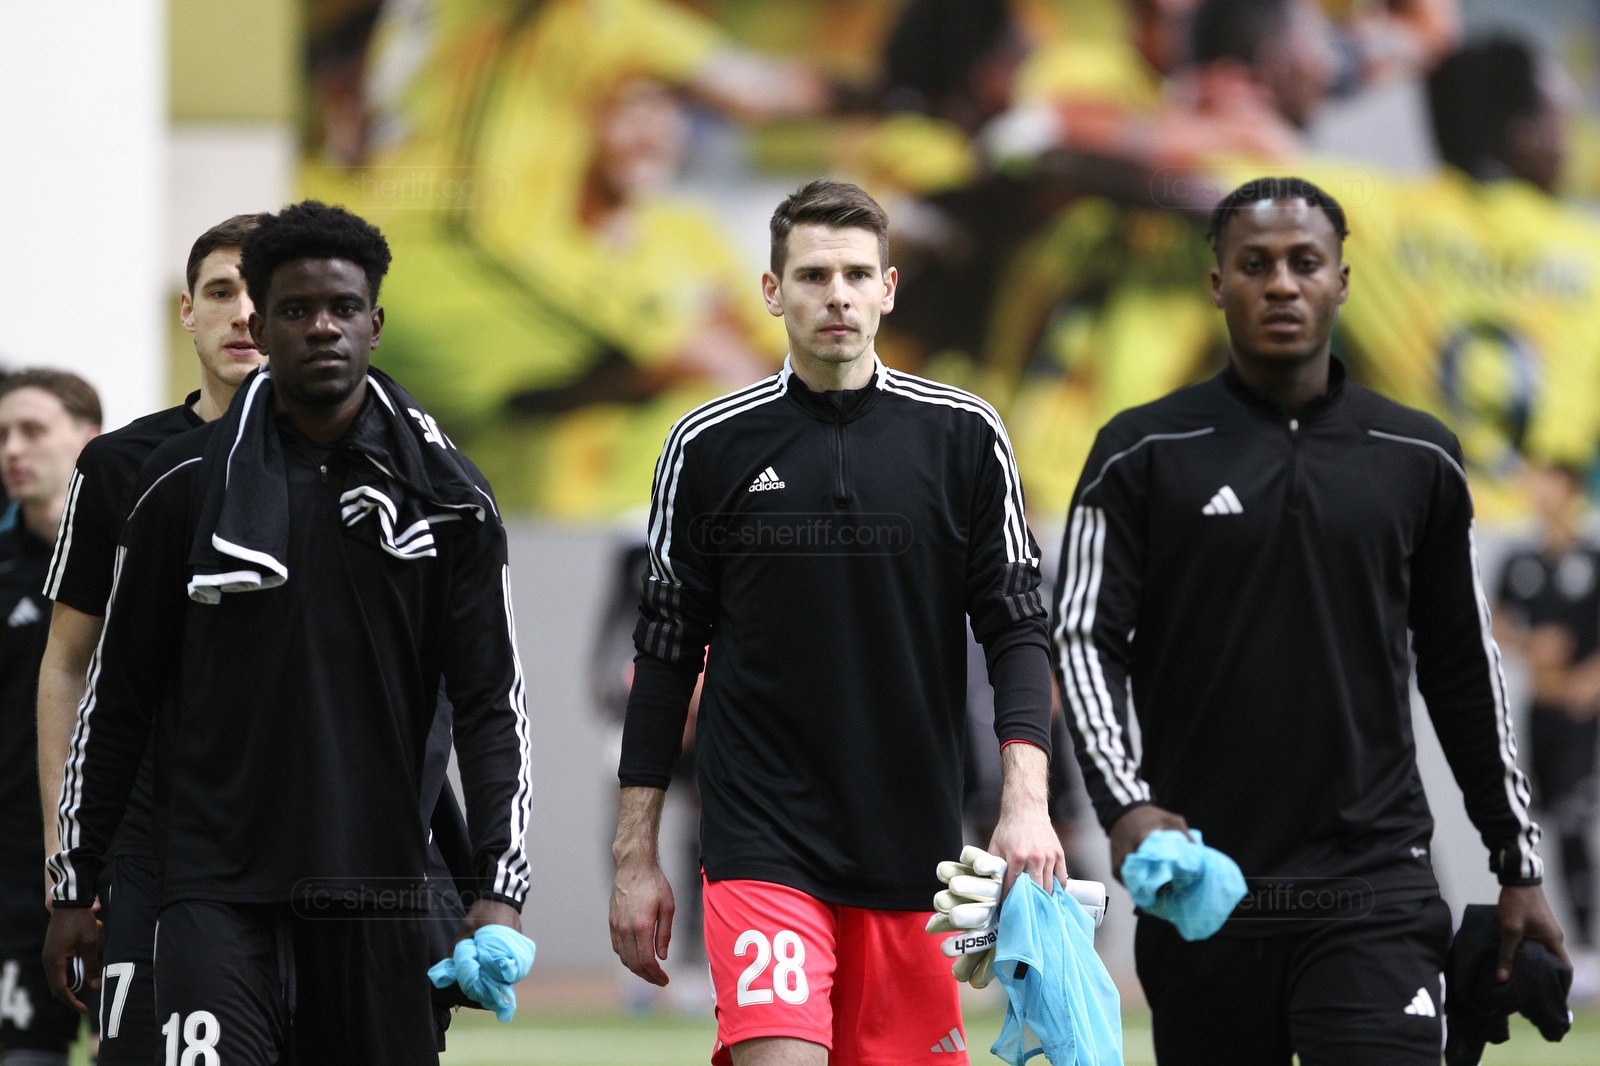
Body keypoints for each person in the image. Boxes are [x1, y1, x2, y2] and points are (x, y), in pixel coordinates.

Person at [1055, 175, 1567, 1064]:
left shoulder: (1419, 456)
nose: (1282, 284)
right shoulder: (1139, 452)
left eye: (1304, 262)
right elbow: (1082, 638)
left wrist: (1516, 862)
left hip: (1375, 888)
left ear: (1342, 280)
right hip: (1205, 892)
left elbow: (1463, 668)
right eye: (1255, 265)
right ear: (1217, 283)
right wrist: (1125, 806)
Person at [41, 201, 532, 1065]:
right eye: (297, 310)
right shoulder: (176, 486)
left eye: (343, 308)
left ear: (376, 323)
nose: (323, 328)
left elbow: (494, 705)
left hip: (379, 895)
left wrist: (499, 886)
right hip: (212, 892)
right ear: (263, 330)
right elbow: (116, 699)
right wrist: (73, 882)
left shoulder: (450, 499)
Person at [609, 179, 1065, 1066]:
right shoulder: (707, 445)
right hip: (759, 837)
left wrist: (1025, 807)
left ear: (889, 289)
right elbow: (665, 653)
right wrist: (635, 853)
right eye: (814, 275)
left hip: (916, 849)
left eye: (858, 275)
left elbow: (1016, 627)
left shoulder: (966, 435)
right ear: (772, 291)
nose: (838, 296)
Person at [31, 213, 265, 1065]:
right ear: (188, 312)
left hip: (304, 839)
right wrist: (67, 859)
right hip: (149, 835)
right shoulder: (121, 464)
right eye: (221, 292)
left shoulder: (360, 464)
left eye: (263, 294)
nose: (243, 313)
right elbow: (67, 665)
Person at [0, 370, 101, 1066]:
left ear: (89, 440)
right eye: (3, 435)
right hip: (14, 877)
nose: (12, 449)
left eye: (32, 430)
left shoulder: (135, 553)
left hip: (124, 865)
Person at [1494, 462, 1600, 1002]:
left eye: (1553, 484)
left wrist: (1591, 676)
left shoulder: (1592, 559)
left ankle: (1587, 945)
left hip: (1584, 713)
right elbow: (1494, 619)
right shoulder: (1521, 561)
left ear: (1573, 491)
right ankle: (1559, 941)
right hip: (1540, 711)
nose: (1542, 494)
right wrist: (1528, 645)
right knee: (1546, 817)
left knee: (1578, 817)